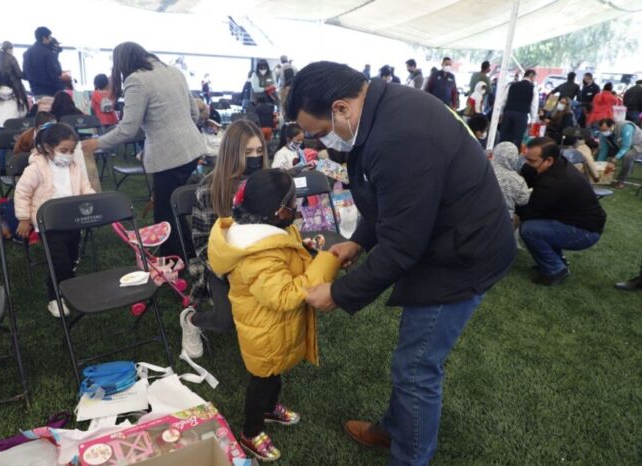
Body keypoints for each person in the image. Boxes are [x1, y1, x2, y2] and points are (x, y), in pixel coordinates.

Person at [286, 61, 515, 465]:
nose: (322, 142)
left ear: (341, 108)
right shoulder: (382, 107)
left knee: (416, 367)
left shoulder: (400, 135)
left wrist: (338, 293)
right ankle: (395, 428)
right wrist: (357, 241)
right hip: (443, 237)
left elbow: (403, 246)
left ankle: (408, 457)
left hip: (461, 256)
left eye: (321, 132)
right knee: (413, 357)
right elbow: (389, 200)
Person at [207, 169, 340, 462]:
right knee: (262, 380)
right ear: (280, 211)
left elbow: (284, 255)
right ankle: (251, 432)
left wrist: (302, 250)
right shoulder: (257, 254)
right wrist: (325, 264)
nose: (296, 209)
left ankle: (269, 408)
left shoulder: (268, 230)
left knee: (274, 375)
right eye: (293, 204)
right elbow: (282, 296)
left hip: (271, 329)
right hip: (263, 333)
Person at [82, 42, 206, 258]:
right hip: (193, 148)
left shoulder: (136, 80)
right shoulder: (174, 71)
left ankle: (174, 259)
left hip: (170, 156)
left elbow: (128, 130)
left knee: (165, 211)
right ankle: (188, 252)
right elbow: (194, 114)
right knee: (172, 205)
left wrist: (98, 143)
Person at [180, 120, 268, 358]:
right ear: (232, 152)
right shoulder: (210, 188)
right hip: (219, 263)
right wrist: (228, 270)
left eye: (259, 152)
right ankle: (192, 321)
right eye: (247, 152)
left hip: (258, 257)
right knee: (225, 319)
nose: (255, 158)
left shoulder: (266, 182)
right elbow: (201, 242)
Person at [14, 123, 95, 317]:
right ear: (49, 148)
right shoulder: (36, 169)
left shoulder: (74, 167)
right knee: (59, 262)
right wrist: (24, 219)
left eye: (72, 151)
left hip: (73, 220)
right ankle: (54, 297)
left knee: (72, 258)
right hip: (48, 224)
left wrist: (94, 201)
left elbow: (85, 187)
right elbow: (22, 193)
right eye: (63, 150)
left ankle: (68, 286)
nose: (68, 155)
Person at [516, 137, 606, 286]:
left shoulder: (554, 183)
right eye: (526, 159)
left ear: (549, 160)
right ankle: (557, 261)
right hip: (576, 222)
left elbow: (529, 212)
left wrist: (509, 200)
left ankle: (554, 269)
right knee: (539, 226)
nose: (527, 164)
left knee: (529, 229)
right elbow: (532, 175)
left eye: (532, 161)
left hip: (585, 232)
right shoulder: (558, 164)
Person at [0, 71, 29, 175]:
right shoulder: (16, 93)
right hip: (13, 123)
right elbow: (23, 110)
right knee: (17, 145)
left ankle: (2, 170)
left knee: (1, 148)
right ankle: (18, 167)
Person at [597, 118, 642, 188]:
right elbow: (604, 150)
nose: (604, 132)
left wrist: (615, 158)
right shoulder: (603, 134)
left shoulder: (626, 127)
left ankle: (621, 180)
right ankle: (599, 174)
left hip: (638, 145)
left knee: (628, 156)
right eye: (602, 131)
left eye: (605, 130)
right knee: (598, 151)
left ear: (612, 126)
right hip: (620, 146)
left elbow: (626, 147)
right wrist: (598, 166)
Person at [500, 69, 539, 149]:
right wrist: (532, 120)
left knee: (504, 137)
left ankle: (500, 154)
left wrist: (500, 113)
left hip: (508, 113)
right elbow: (534, 106)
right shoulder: (533, 89)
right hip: (521, 115)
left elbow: (503, 100)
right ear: (531, 76)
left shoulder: (511, 85)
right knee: (517, 139)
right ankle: (513, 157)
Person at [491, 142, 530, 221]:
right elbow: (523, 200)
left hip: (480, 213)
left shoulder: (485, 170)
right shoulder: (517, 180)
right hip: (504, 218)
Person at [23, 27, 64, 98]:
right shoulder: (47, 53)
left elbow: (25, 73)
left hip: (35, 91)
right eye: (50, 37)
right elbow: (53, 74)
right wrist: (61, 89)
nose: (51, 39)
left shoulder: (27, 53)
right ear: (44, 38)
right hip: (49, 91)